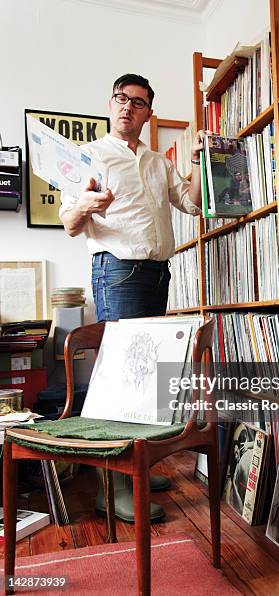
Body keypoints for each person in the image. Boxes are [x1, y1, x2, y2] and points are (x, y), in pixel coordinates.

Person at [59, 73, 204, 523]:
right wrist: (88, 206)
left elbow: (195, 204)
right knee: (121, 378)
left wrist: (197, 161)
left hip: (158, 273)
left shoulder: (160, 163)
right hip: (117, 271)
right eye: (122, 99)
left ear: (147, 113)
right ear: (111, 103)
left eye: (138, 103)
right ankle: (112, 486)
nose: (128, 107)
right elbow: (69, 221)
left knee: (148, 378)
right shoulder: (90, 157)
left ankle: (137, 466)